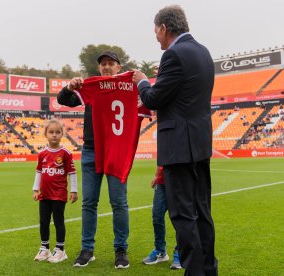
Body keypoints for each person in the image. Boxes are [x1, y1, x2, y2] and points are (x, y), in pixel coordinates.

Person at [132, 5, 218, 276]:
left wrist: (143, 82)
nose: (155, 37)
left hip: (179, 147)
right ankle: (207, 269)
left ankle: (194, 271)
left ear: (165, 28)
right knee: (202, 211)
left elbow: (154, 99)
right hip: (200, 145)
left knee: (182, 215)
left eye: (156, 31)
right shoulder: (203, 52)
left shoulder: (174, 55)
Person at [57, 51, 131, 269]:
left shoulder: (128, 85)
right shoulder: (92, 86)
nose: (106, 67)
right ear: (98, 68)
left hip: (116, 149)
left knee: (119, 202)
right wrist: (70, 86)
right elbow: (63, 100)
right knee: (89, 202)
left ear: (119, 67)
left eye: (111, 63)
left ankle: (121, 250)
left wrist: (142, 81)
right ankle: (87, 249)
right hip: (91, 149)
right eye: (103, 64)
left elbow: (148, 99)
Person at [32, 119, 78, 263]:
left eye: (58, 132)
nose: (54, 135)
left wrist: (74, 190)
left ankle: (60, 250)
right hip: (44, 194)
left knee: (58, 221)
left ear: (62, 134)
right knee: (43, 221)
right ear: (46, 134)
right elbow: (39, 172)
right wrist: (35, 189)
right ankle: (44, 248)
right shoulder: (42, 154)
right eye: (51, 132)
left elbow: (72, 173)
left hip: (59, 194)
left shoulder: (66, 153)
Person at [142, 166, 181, 270]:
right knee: (157, 216)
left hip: (178, 180)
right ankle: (160, 251)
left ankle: (180, 252)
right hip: (162, 182)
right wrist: (157, 174)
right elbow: (161, 157)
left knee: (179, 218)